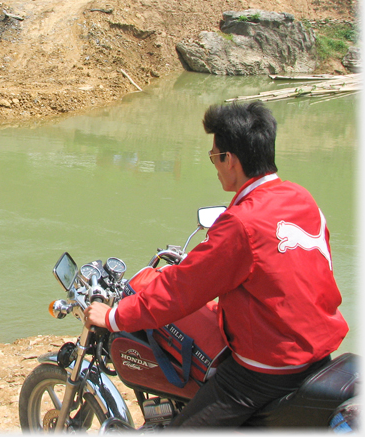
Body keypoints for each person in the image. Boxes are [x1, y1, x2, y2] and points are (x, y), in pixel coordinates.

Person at [84, 101, 349, 427]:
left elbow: (180, 289)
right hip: (317, 354)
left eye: (214, 156)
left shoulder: (242, 222)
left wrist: (113, 316)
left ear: (230, 160)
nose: (214, 165)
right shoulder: (301, 198)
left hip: (265, 372)